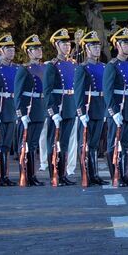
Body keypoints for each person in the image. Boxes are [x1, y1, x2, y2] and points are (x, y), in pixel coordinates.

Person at [104, 27, 128, 187]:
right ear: (117, 45)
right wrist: (113, 111)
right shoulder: (112, 65)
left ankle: (124, 174)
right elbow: (108, 90)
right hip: (118, 108)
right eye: (125, 43)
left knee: (125, 144)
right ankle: (115, 175)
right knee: (114, 142)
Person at [42, 28, 78, 186]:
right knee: (53, 142)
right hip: (58, 107)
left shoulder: (72, 64)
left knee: (64, 143)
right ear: (56, 45)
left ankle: (62, 174)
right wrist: (53, 111)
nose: (67, 46)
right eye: (63, 44)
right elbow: (48, 91)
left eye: (68, 43)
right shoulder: (52, 65)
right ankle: (54, 175)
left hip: (70, 107)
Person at [72, 31, 108, 186]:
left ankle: (95, 175)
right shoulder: (82, 68)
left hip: (100, 106)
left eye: (98, 46)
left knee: (94, 144)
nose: (97, 49)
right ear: (86, 49)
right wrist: (80, 112)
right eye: (93, 46)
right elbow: (78, 91)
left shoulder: (103, 67)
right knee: (85, 143)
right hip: (88, 107)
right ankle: (86, 174)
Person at [13, 34, 48, 186]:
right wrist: (21, 113)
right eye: (35, 49)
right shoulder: (24, 69)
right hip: (28, 109)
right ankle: (24, 175)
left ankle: (32, 175)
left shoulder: (44, 68)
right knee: (25, 143)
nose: (39, 51)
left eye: (40, 48)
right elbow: (18, 93)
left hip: (40, 108)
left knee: (33, 144)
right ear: (28, 52)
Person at [0, 35, 21, 186]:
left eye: (12, 49)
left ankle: (6, 175)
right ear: (1, 51)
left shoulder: (17, 68)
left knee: (7, 145)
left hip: (12, 109)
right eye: (8, 49)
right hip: (1, 109)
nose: (11, 51)